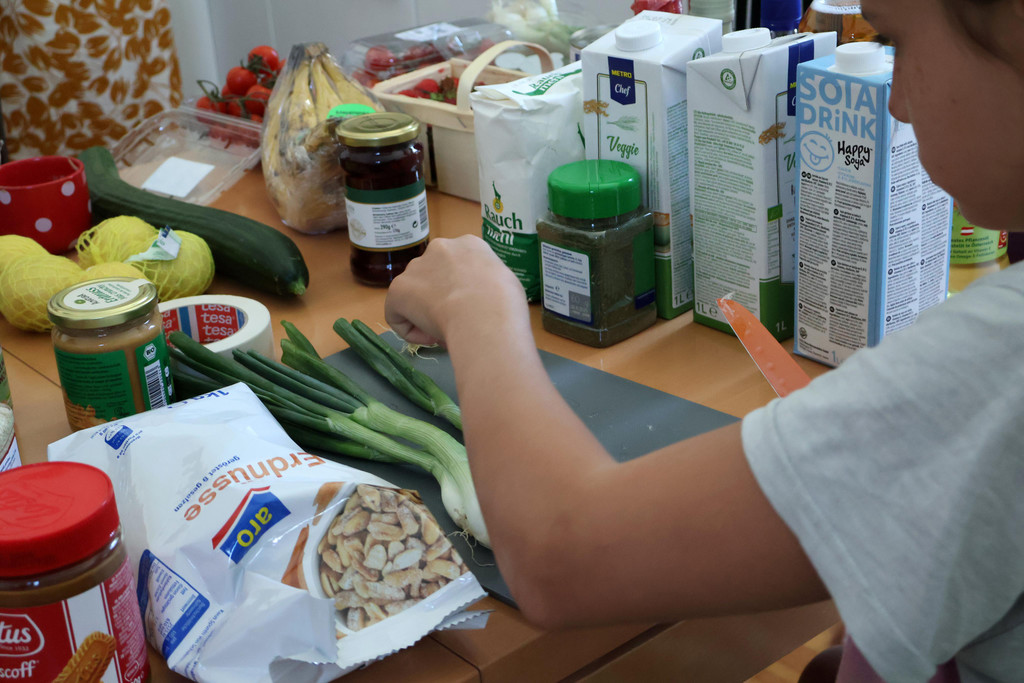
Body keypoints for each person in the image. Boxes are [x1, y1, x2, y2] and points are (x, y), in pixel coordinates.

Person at [383, 0, 1024, 680]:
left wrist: (476, 302)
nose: (896, 103)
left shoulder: (1000, 355)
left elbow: (558, 554)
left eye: (897, 41)